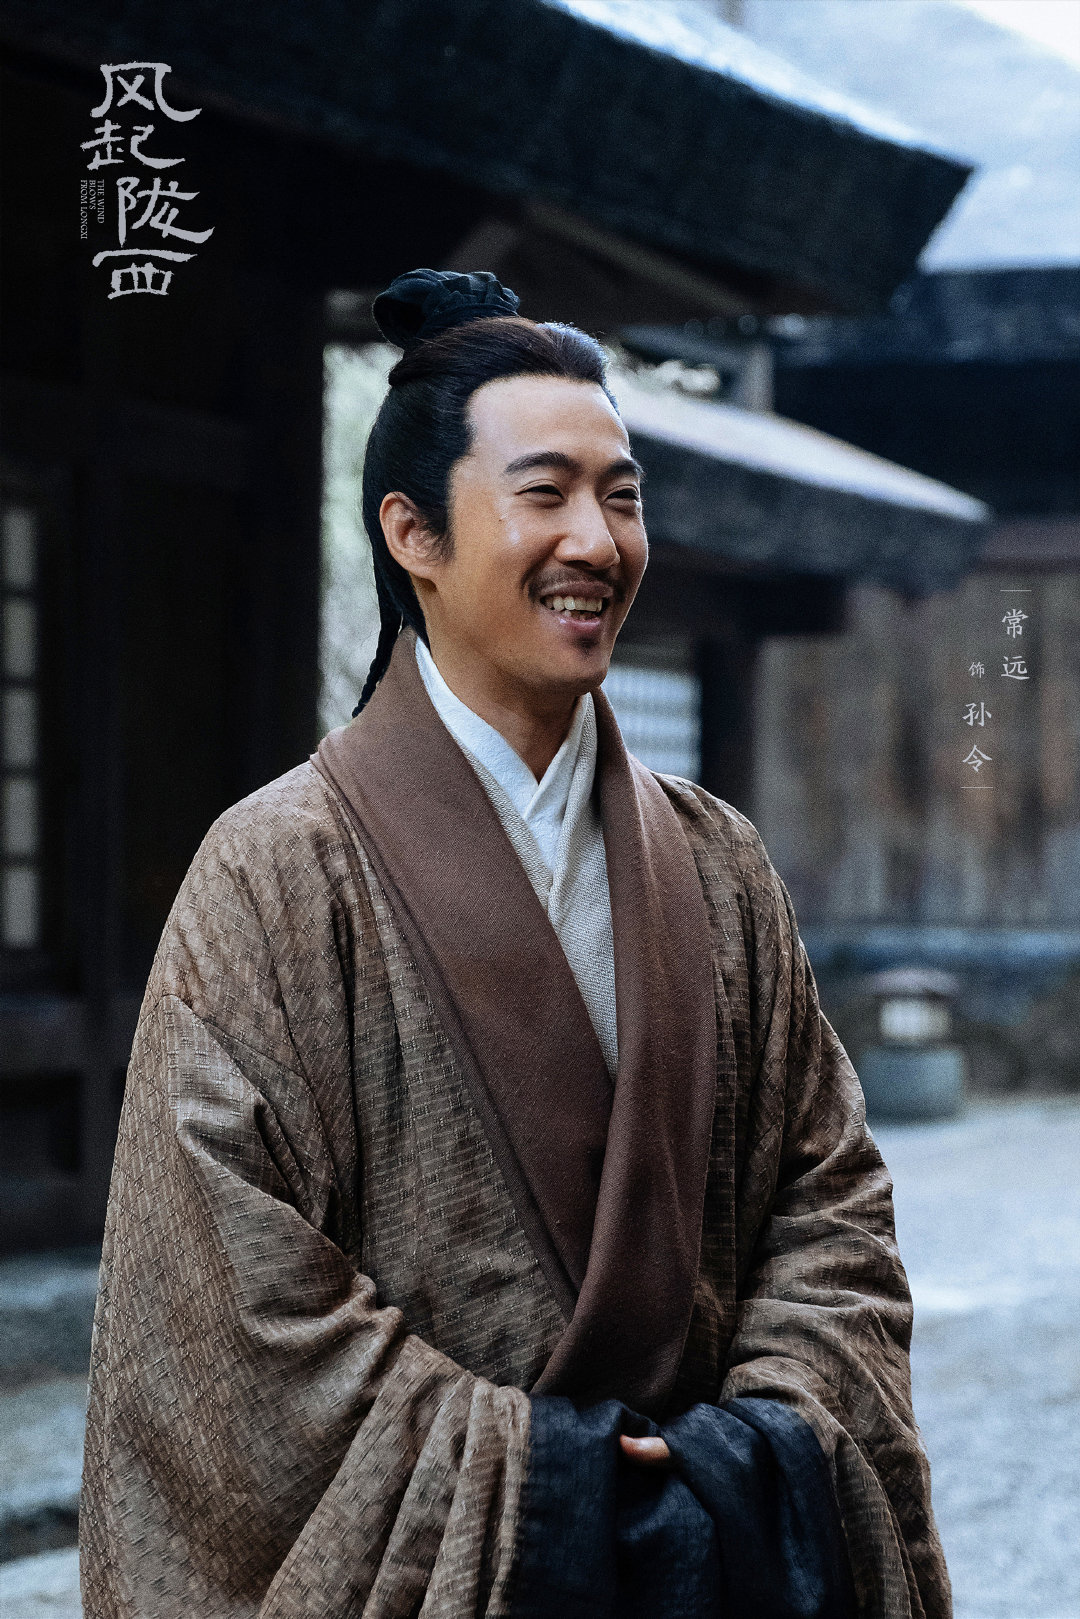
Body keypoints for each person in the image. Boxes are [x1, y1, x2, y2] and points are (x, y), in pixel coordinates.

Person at [80, 269, 948, 1619]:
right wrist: (546, 1476)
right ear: (412, 533)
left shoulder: (715, 859)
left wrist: (760, 1431)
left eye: (622, 496)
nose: (596, 540)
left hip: (717, 1542)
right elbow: (226, 1294)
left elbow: (825, 1195)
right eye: (545, 494)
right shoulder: (278, 869)